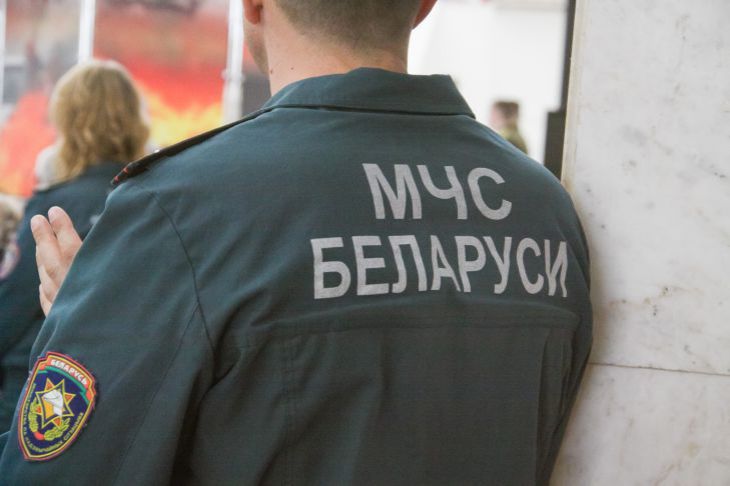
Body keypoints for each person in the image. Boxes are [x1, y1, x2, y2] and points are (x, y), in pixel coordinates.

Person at [0, 1, 592, 484]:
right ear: (423, 7)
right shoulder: (543, 207)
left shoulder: (182, 208)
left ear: (253, 6)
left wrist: (102, 323)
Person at [0, 60, 149, 432]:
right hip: (125, 385)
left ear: (67, 120)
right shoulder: (153, 199)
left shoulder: (56, 205)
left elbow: (13, 305)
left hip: (43, 385)